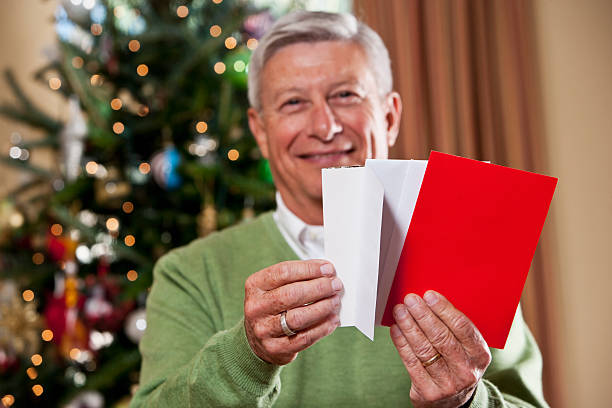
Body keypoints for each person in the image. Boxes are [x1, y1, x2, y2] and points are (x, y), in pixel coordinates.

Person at [131, 11, 548, 408]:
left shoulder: (467, 252)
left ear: (389, 116)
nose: (325, 127)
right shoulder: (190, 273)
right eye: (294, 103)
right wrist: (248, 356)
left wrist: (468, 402)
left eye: (345, 95)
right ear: (260, 130)